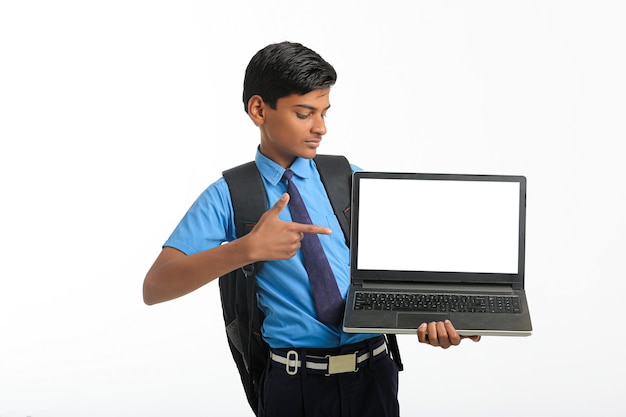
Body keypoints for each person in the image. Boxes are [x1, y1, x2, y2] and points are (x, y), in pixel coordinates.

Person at [143, 41, 480, 417]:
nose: (320, 128)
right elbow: (156, 286)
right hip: (294, 387)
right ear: (259, 109)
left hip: (374, 375)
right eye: (304, 113)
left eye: (324, 112)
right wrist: (246, 249)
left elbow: (408, 264)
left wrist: (448, 317)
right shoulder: (229, 195)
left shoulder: (348, 178)